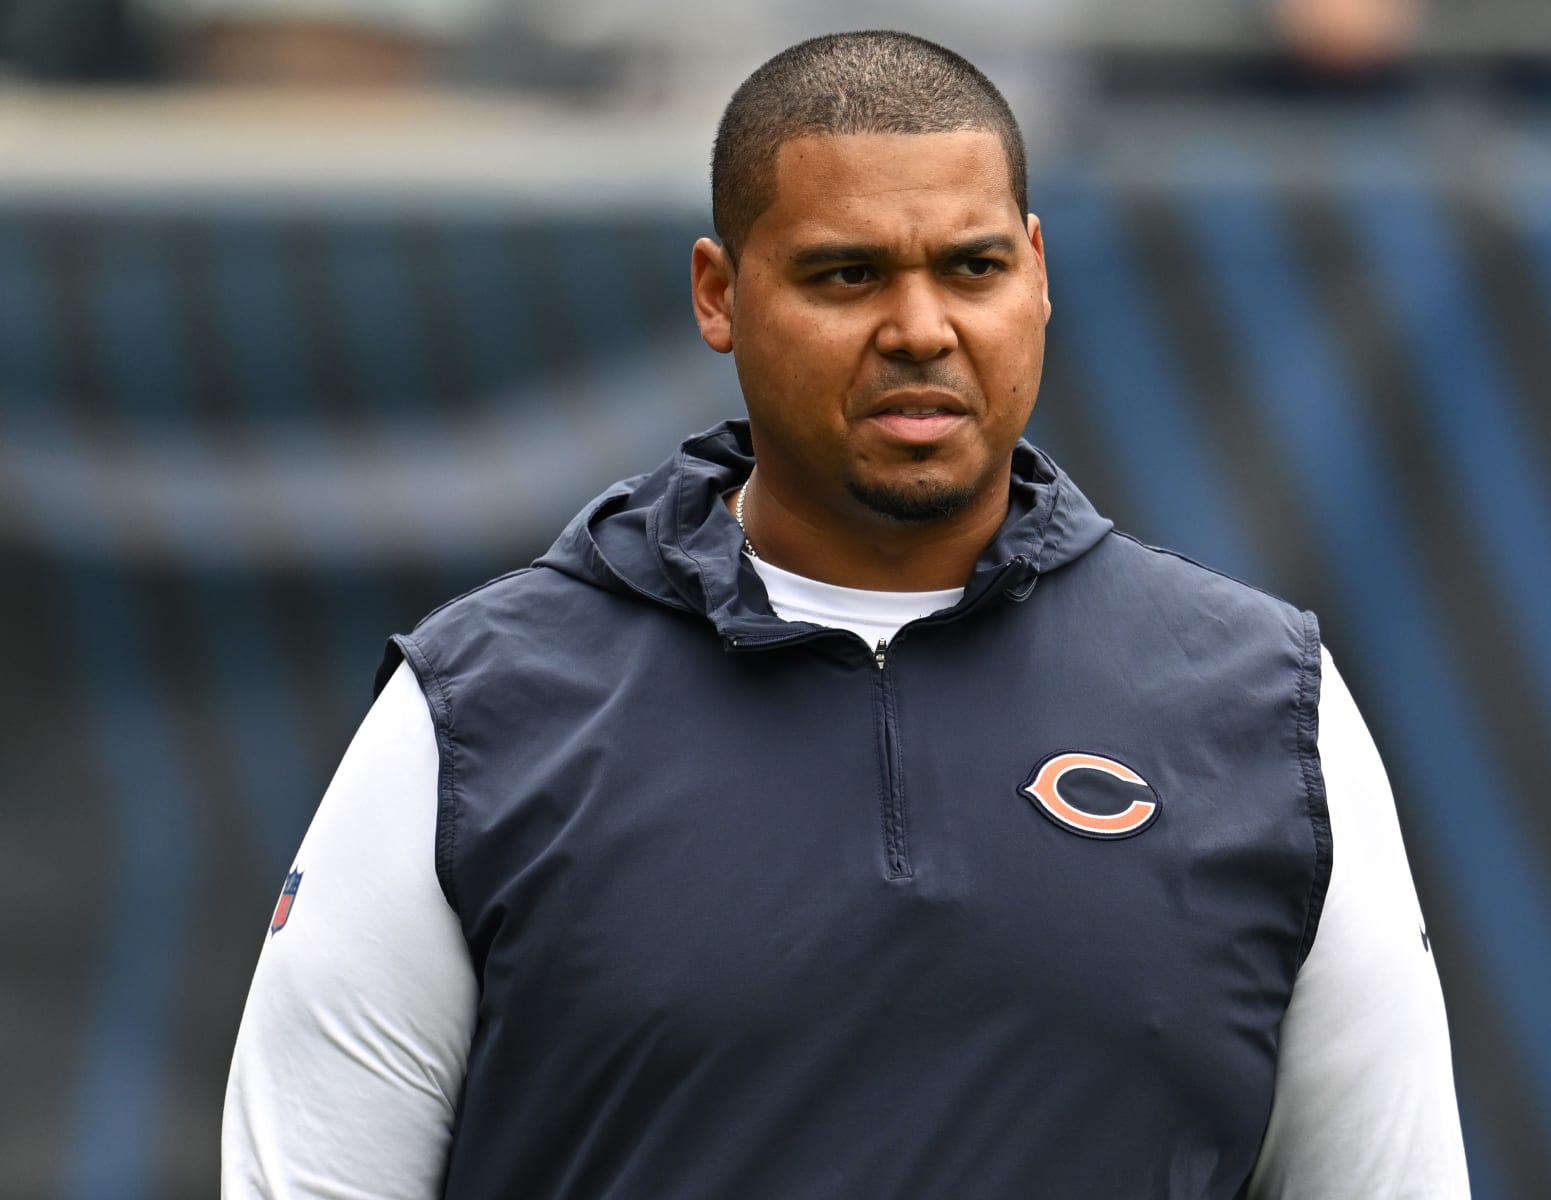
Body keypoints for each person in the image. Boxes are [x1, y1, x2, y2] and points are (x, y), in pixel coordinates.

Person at [223, 29, 1468, 1199]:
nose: (919, 329)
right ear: (720, 293)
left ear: (1037, 273)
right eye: (846, 274)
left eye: (971, 268)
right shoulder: (477, 711)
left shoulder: (1265, 706)